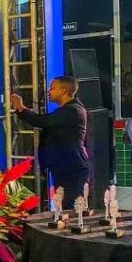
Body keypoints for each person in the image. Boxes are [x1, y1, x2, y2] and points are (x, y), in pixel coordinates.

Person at [10, 76, 89, 209]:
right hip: (65, 167)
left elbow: (40, 121)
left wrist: (20, 107)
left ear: (63, 91)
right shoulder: (68, 109)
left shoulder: (72, 110)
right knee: (65, 207)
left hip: (72, 168)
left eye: (52, 88)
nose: (49, 91)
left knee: (73, 209)